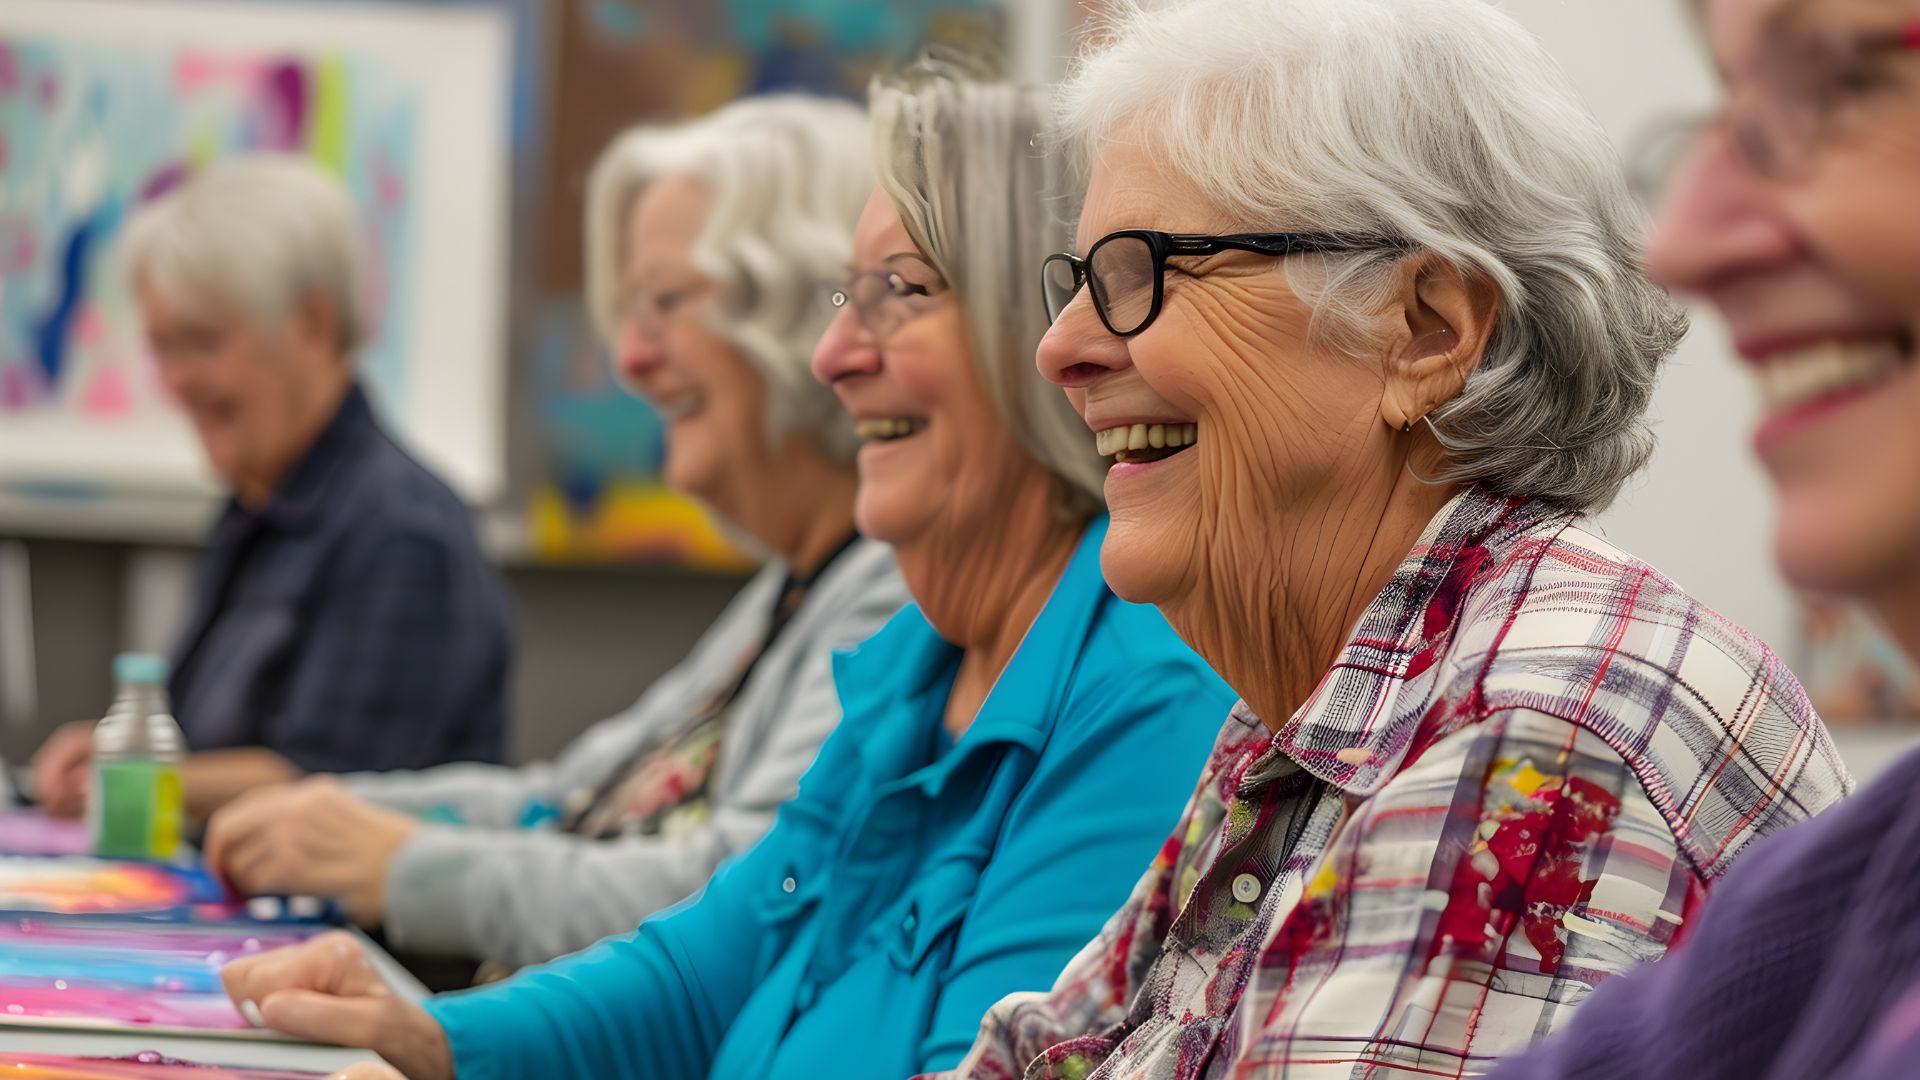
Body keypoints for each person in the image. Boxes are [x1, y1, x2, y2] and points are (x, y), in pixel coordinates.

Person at [219, 65, 1235, 1080]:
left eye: (901, 294)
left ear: (1043, 336)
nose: (833, 353)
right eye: (848, 299)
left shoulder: (1139, 694)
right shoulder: (914, 662)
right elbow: (713, 967)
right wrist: (435, 1041)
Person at [935, 1, 1853, 1078]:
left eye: (1140, 274)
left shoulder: (1544, 725)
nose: (1062, 347)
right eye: (1083, 281)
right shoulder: (1335, 707)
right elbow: (1041, 1055)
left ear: (1424, 331)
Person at [198, 98, 911, 969]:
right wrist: (332, 817)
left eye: (666, 303)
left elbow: (749, 888)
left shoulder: (890, 584)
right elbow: (569, 797)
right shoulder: (797, 585)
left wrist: (400, 864)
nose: (632, 359)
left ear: (801, 308)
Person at [1481, 1, 1920, 1078]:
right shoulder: (1868, 879)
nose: (1675, 244)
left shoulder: (1550, 704)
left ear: (1426, 328)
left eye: (1846, 82)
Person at [30, 156, 512, 821]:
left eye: (201, 343)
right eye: (161, 348)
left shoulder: (402, 531)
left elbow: (337, 787)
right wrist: (123, 755)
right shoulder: (257, 504)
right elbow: (210, 746)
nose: (176, 382)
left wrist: (129, 776)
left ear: (313, 326)